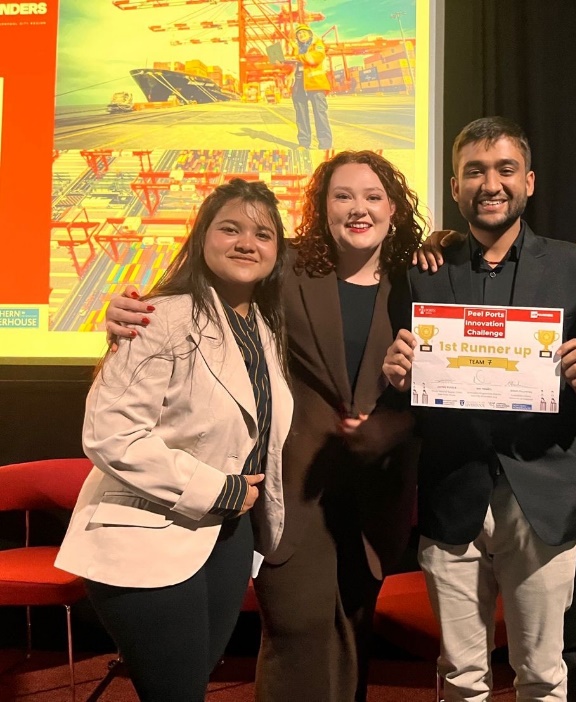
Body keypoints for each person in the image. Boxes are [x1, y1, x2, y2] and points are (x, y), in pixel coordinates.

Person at [104, 151, 424, 702]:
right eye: (343, 196)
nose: (359, 208)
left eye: (373, 196)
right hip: (294, 485)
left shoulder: (419, 278)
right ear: (322, 207)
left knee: (353, 634)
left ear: (393, 207)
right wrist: (128, 312)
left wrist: (444, 242)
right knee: (296, 630)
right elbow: (213, 286)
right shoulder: (287, 267)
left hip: (376, 491)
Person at [382, 116, 576, 702]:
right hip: (451, 492)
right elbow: (408, 387)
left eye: (505, 169)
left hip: (543, 497)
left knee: (542, 674)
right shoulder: (423, 271)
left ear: (528, 181)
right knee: (460, 676)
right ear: (455, 187)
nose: (491, 184)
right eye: (474, 171)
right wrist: (399, 376)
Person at [55, 179, 293, 702]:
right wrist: (220, 488)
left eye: (263, 234)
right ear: (202, 237)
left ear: (278, 252)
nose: (246, 243)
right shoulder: (159, 316)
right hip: (147, 534)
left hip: (228, 537)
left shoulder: (266, 327)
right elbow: (110, 434)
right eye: (230, 229)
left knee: (187, 687)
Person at [287, 23, 333, 151]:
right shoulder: (297, 49)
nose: (301, 35)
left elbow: (313, 60)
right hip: (299, 84)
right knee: (301, 115)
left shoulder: (317, 45)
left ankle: (325, 145)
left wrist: (296, 55)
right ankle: (303, 143)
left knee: (320, 114)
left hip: (315, 84)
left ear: (310, 34)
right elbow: (294, 64)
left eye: (304, 32)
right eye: (299, 34)